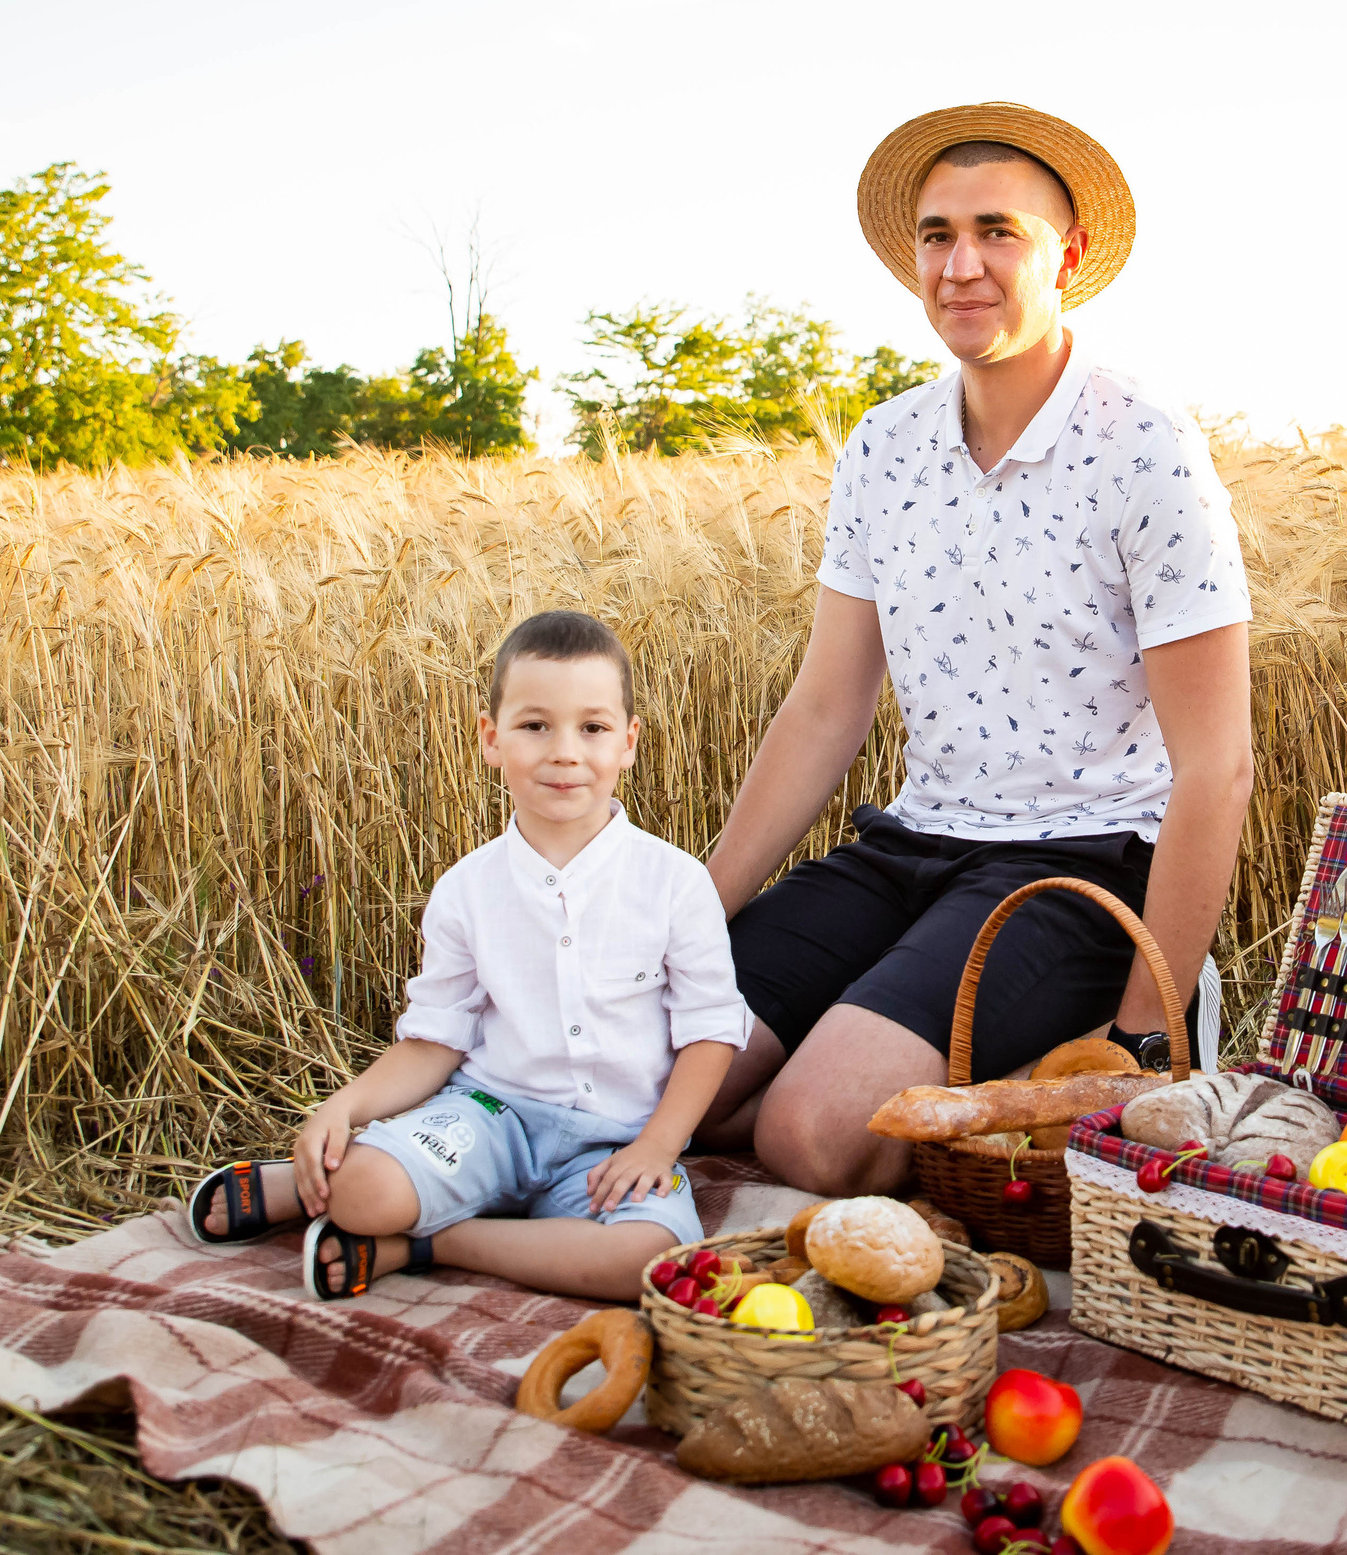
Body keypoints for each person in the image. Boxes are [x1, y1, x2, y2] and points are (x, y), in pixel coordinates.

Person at [696, 103, 1256, 1195]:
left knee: (807, 1136)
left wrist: (1139, 1046)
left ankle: (998, 1069)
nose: (960, 265)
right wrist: (695, 912)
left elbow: (1215, 766)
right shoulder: (884, 443)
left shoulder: (1144, 445)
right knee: (640, 1066)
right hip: (911, 846)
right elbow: (825, 709)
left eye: (997, 231)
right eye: (937, 235)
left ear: (1069, 255)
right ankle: (935, 1084)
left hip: (1076, 866)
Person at [185, 610, 751, 1302]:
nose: (565, 752)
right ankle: (330, 1179)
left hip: (615, 1143)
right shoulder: (466, 891)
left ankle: (431, 1240)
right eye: (535, 725)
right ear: (491, 738)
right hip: (488, 1115)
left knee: (647, 1261)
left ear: (628, 743)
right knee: (363, 1193)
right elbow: (434, 1041)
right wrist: (348, 1102)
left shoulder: (674, 882)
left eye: (593, 727)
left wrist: (658, 1146)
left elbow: (710, 1031)